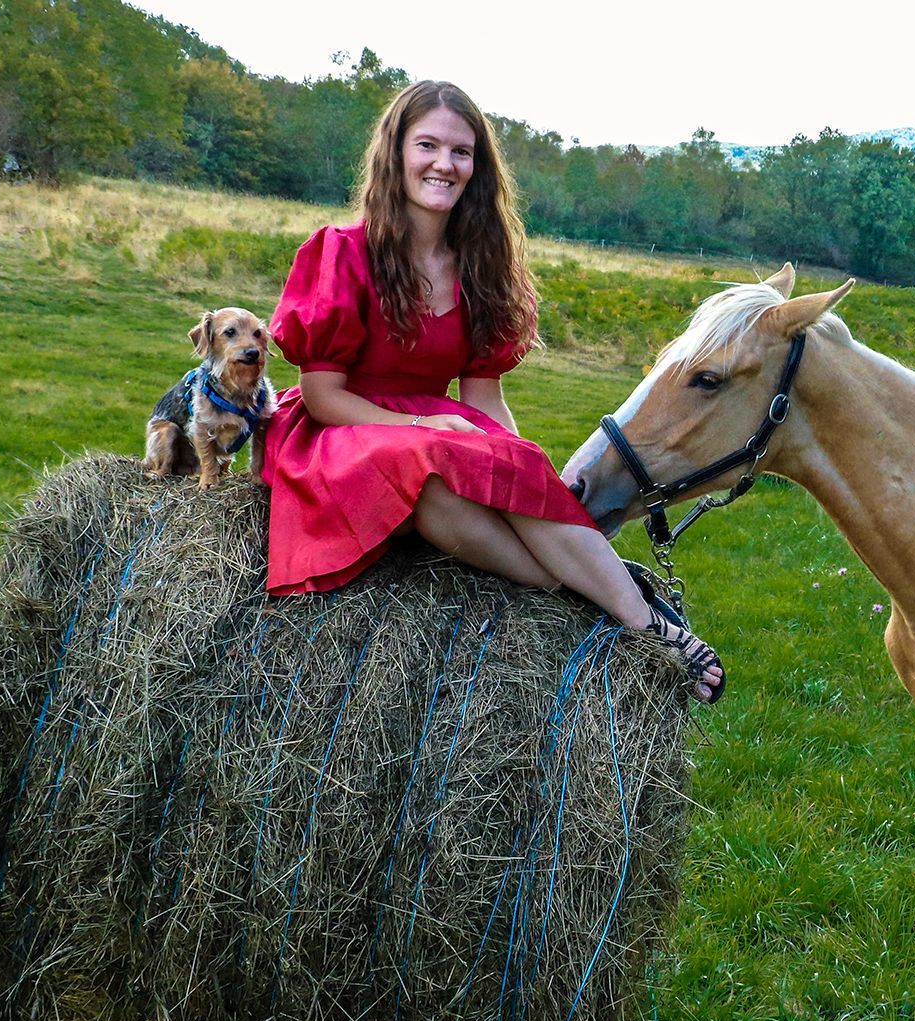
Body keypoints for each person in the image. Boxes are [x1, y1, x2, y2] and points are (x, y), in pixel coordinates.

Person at [261, 80, 724, 702]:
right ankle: (614, 603)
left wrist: (526, 478)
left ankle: (634, 621)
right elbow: (323, 397)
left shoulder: (480, 265)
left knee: (510, 461)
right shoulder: (342, 253)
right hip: (339, 434)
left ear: (477, 167)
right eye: (427, 145)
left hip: (438, 428)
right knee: (422, 470)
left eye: (461, 152)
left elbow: (482, 399)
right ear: (395, 153)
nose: (443, 165)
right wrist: (421, 431)